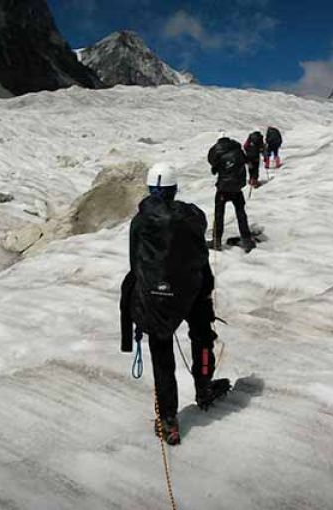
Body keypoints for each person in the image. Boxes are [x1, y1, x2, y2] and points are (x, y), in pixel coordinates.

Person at [120, 162, 230, 446]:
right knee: (202, 337)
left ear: (149, 188)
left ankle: (168, 419)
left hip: (155, 296)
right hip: (192, 290)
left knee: (162, 354)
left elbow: (135, 262)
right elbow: (198, 249)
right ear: (173, 189)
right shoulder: (192, 217)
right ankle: (204, 386)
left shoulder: (139, 222)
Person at [207, 134, 255, 253]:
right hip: (237, 187)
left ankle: (216, 241)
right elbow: (248, 162)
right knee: (240, 213)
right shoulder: (237, 149)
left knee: (219, 214)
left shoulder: (216, 151)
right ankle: (247, 240)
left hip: (223, 188)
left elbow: (213, 168)